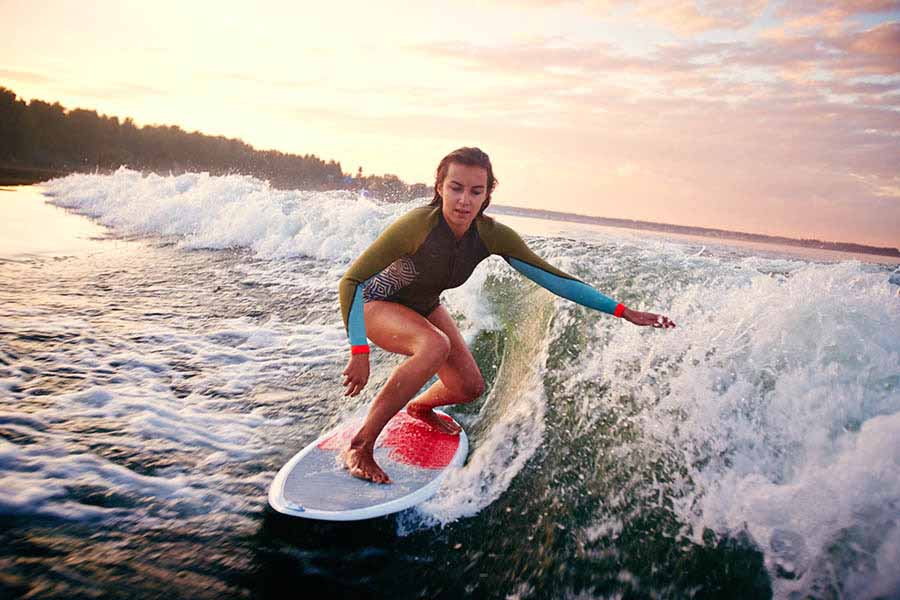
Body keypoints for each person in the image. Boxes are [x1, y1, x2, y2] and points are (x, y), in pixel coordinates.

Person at [338, 147, 676, 484]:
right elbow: (351, 281)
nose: (464, 201)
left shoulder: (490, 235)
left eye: (476, 191)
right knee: (434, 345)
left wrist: (623, 310)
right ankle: (361, 445)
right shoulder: (416, 226)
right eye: (456, 188)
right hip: (373, 304)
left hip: (423, 305)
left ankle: (420, 408)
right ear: (439, 186)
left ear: (487, 195)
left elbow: (555, 279)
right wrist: (359, 351)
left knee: (468, 387)